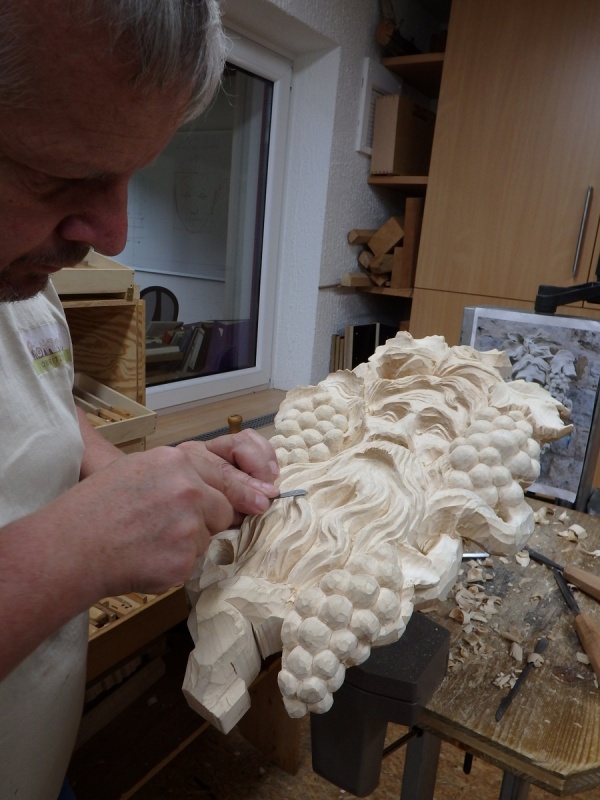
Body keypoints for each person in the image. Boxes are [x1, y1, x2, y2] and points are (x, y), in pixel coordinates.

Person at [0, 1, 280, 797]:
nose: (114, 234)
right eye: (59, 176)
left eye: (130, 173)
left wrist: (139, 475)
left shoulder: (21, 272)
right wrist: (76, 548)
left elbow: (37, 399)